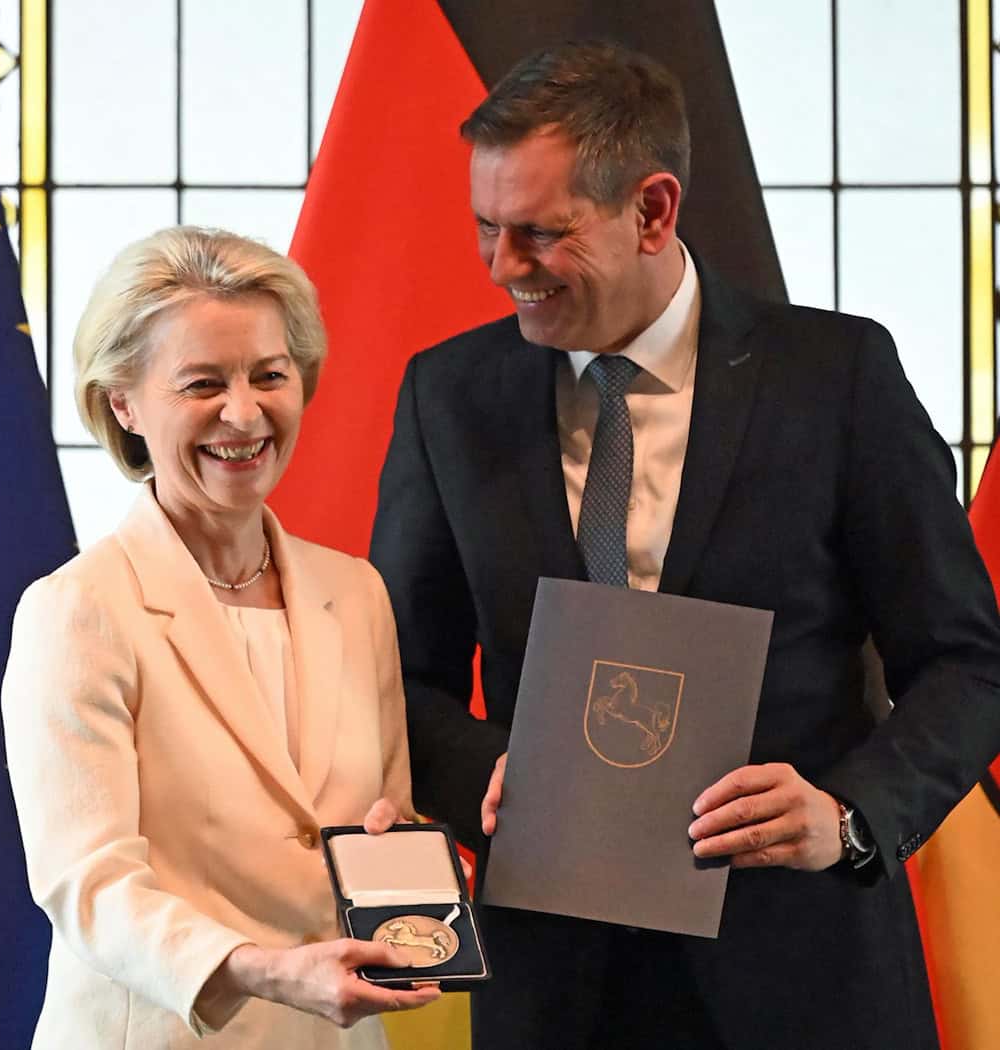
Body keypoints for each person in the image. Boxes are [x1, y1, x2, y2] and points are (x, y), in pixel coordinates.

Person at [369, 40, 1000, 1050]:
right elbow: (401, 679)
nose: (499, 270)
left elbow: (968, 663)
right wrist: (481, 771)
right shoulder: (448, 396)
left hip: (803, 976)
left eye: (536, 234)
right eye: (485, 229)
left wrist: (842, 816)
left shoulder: (836, 378)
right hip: (556, 987)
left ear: (651, 211)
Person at [1, 226, 441, 1049]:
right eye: (203, 383)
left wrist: (413, 872)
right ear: (123, 402)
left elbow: (387, 822)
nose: (244, 412)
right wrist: (265, 968)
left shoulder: (358, 594)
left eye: (270, 376)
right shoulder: (75, 609)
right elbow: (88, 883)